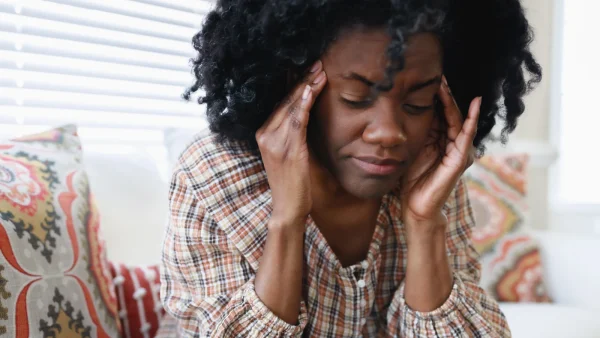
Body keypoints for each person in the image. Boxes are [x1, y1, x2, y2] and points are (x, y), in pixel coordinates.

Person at [158, 0, 541, 336]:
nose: (389, 133)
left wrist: (425, 223)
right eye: (356, 98)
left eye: (418, 103)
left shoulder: (428, 171)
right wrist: (287, 218)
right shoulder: (213, 174)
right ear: (298, 83)